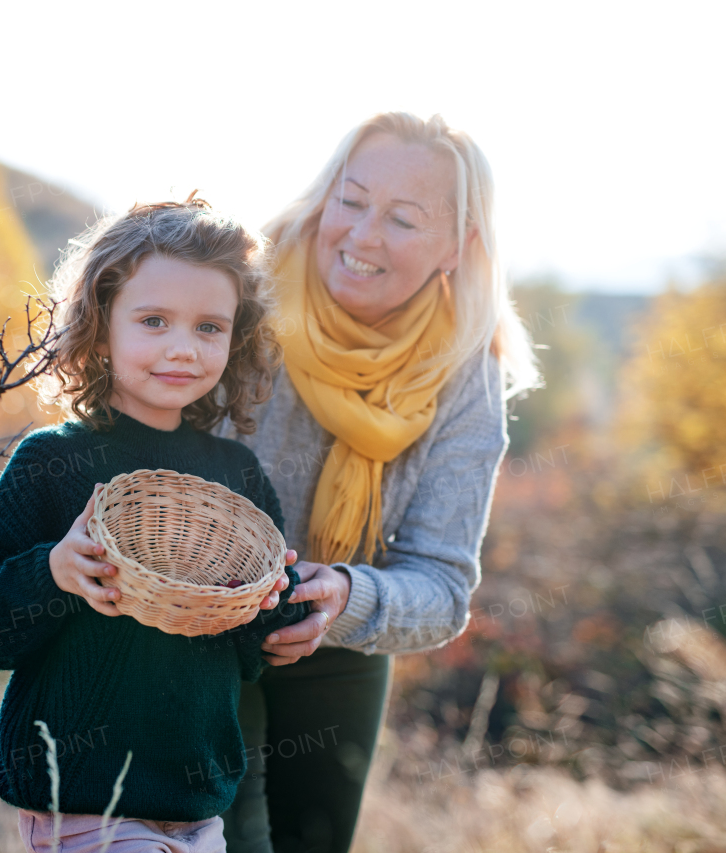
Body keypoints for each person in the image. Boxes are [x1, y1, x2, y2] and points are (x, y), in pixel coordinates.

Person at [215, 113, 541, 853]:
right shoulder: (235, 298)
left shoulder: (464, 372)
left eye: (402, 219)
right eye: (351, 200)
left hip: (340, 643)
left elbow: (442, 585)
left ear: (457, 248)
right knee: (220, 839)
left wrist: (344, 599)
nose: (362, 236)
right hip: (196, 622)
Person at [0, 197, 311, 853]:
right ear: (101, 325)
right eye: (153, 321)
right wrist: (54, 569)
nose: (184, 348)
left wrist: (270, 602)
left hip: (197, 805)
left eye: (210, 327)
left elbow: (249, 651)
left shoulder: (237, 475)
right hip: (85, 799)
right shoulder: (51, 461)